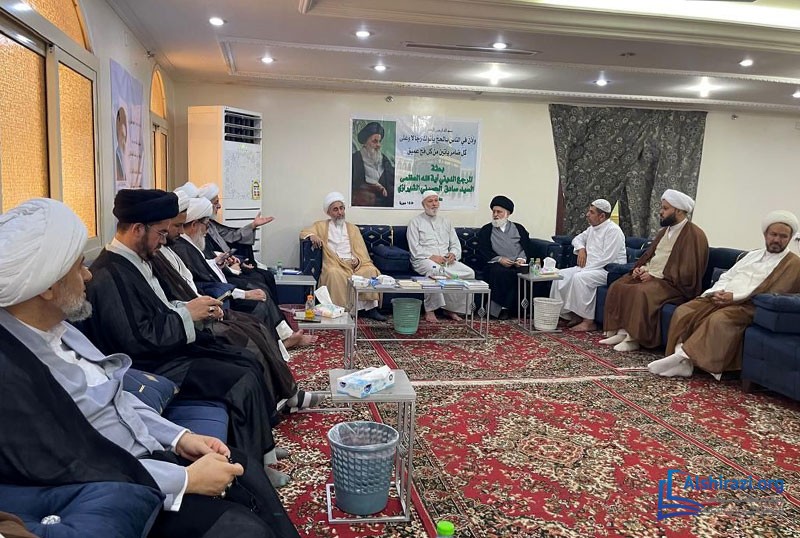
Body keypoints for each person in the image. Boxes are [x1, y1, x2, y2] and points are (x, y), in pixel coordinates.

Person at [0, 198, 299, 538]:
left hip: (151, 454)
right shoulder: (15, 374)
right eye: (78, 266)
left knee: (245, 466)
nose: (87, 274)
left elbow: (116, 399)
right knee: (245, 527)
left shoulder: (60, 329)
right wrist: (184, 479)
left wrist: (180, 437)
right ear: (47, 287)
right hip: (128, 482)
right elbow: (81, 463)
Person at [83, 189, 286, 485]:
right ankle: (249, 471)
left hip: (170, 349)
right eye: (161, 233)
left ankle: (262, 452)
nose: (164, 240)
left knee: (247, 361)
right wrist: (188, 314)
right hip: (154, 365)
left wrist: (192, 308)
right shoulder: (108, 274)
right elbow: (135, 340)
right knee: (241, 379)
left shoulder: (140, 259)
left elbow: (160, 307)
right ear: (138, 229)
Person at [648, 210, 800, 378]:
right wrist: (717, 292)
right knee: (684, 311)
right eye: (773, 234)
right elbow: (728, 275)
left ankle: (681, 357)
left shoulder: (793, 264)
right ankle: (684, 364)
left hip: (749, 306)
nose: (777, 240)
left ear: (790, 238)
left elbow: (774, 292)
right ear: (765, 234)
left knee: (718, 320)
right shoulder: (753, 255)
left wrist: (734, 298)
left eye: (783, 236)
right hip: (723, 296)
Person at [601, 189, 709, 351]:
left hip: (674, 284)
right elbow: (651, 256)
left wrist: (656, 276)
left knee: (640, 292)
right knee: (619, 285)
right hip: (653, 276)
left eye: (665, 208)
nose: (660, 212)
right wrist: (641, 269)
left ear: (679, 211)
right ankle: (622, 331)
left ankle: (634, 339)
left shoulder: (695, 235)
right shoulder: (664, 232)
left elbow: (689, 270)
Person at [300, 192, 385, 320]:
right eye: (335, 209)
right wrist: (312, 235)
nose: (340, 212)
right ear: (328, 212)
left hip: (354, 263)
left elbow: (362, 252)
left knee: (370, 270)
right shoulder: (321, 226)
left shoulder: (353, 228)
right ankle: (341, 311)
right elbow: (304, 232)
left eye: (341, 208)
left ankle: (370, 309)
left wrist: (358, 261)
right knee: (333, 273)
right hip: (334, 263)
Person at [549, 199, 627, 332]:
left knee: (580, 277)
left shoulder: (613, 231)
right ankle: (568, 315)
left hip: (609, 271)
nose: (587, 214)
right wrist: (581, 249)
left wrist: (584, 269)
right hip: (590, 267)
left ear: (602, 216)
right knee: (560, 275)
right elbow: (577, 239)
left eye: (591, 212)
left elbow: (607, 259)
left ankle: (588, 321)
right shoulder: (592, 229)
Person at [407, 190, 476, 322]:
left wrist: (453, 254)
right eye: (430, 201)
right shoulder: (415, 222)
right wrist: (432, 257)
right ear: (423, 204)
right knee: (435, 270)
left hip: (445, 261)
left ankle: (451, 309)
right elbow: (414, 248)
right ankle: (430, 310)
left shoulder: (446, 222)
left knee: (469, 273)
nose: (434, 204)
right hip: (423, 260)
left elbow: (455, 244)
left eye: (436, 200)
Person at [477, 195, 537, 319]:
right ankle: (501, 309)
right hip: (496, 264)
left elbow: (526, 247)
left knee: (529, 274)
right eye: (494, 211)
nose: (495, 215)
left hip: (518, 264)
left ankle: (524, 309)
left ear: (507, 213)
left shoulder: (519, 228)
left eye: (499, 212)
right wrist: (499, 259)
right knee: (500, 272)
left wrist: (521, 259)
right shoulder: (487, 230)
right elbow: (483, 250)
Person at [351, 121, 395, 207]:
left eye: (379, 141)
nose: (378, 145)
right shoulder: (355, 160)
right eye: (374, 141)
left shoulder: (385, 161)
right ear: (365, 142)